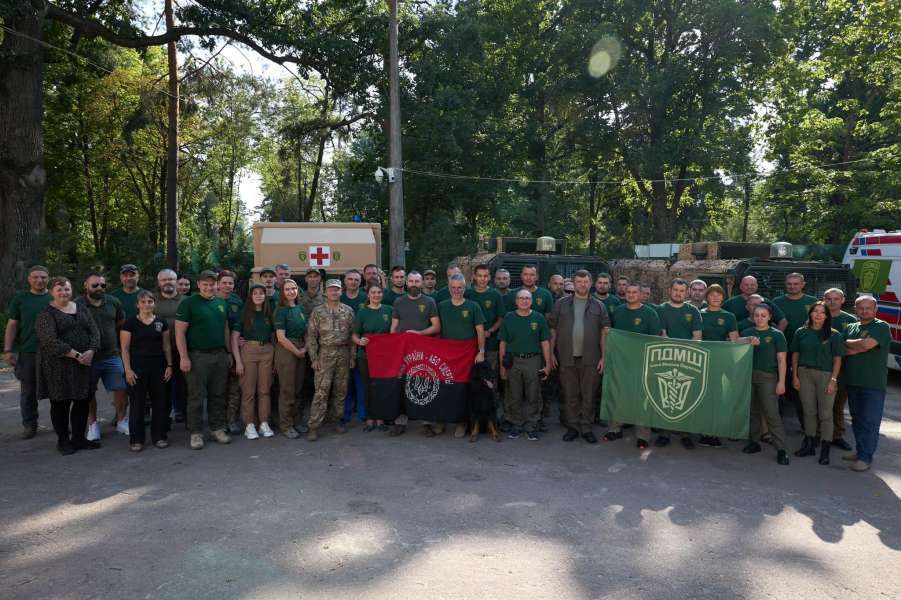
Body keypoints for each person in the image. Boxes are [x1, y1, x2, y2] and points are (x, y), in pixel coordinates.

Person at [35, 277, 101, 455]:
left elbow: (94, 331)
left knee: (83, 401)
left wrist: (91, 350)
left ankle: (79, 439)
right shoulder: (46, 314)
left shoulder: (81, 308)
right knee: (60, 403)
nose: (64, 292)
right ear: (51, 292)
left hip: (84, 364)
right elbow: (49, 341)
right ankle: (63, 441)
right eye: (59, 289)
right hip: (58, 366)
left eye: (67, 289)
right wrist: (76, 355)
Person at [175, 270, 233, 450]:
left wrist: (229, 352)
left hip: (219, 355)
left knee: (218, 394)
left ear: (217, 285)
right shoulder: (188, 304)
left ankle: (217, 428)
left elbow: (225, 329)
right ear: (198, 284)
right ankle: (196, 433)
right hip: (197, 356)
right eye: (205, 284)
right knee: (196, 396)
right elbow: (179, 333)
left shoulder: (221, 303)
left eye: (212, 284)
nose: (209, 287)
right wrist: (184, 357)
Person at [549, 270, 609, 444]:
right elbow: (552, 329)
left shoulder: (599, 306)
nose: (582, 284)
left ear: (591, 283)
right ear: (574, 283)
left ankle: (587, 427)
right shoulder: (561, 304)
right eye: (579, 281)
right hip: (566, 357)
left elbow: (605, 332)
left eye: (585, 282)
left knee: (588, 395)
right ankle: (573, 427)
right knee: (570, 394)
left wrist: (604, 357)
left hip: (591, 358)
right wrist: (551, 353)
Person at [606, 283, 662, 448]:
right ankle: (615, 429)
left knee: (642, 398)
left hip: (641, 362)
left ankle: (643, 435)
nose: (630, 295)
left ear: (641, 294)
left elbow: (655, 339)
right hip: (620, 361)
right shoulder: (618, 311)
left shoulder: (650, 313)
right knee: (618, 394)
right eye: (628, 292)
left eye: (634, 292)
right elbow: (611, 334)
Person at [841, 295, 891, 472]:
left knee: (870, 421)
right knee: (857, 419)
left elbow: (867, 345)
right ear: (855, 309)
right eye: (860, 308)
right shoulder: (851, 327)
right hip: (853, 381)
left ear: (875, 310)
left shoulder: (881, 326)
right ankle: (860, 450)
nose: (864, 311)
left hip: (873, 383)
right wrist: (858, 346)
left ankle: (865, 457)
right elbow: (843, 350)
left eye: (868, 308)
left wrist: (852, 345)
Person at [790, 302, 843, 464]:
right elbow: (795, 355)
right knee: (809, 411)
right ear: (810, 314)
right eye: (815, 311)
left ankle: (825, 449)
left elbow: (837, 359)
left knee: (825, 414)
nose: (818, 315)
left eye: (822, 312)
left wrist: (833, 380)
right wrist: (795, 376)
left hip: (825, 375)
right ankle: (809, 444)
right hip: (804, 374)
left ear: (827, 316)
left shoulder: (834, 334)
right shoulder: (801, 332)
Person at [77, 272, 128, 440]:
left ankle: (121, 421)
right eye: (95, 285)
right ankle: (93, 425)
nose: (99, 288)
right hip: (88, 358)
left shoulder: (113, 302)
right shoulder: (77, 305)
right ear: (86, 285)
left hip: (112, 355)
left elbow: (120, 324)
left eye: (103, 285)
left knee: (121, 389)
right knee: (88, 392)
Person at [389, 271, 440, 436]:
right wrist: (394, 345)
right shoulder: (398, 301)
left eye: (417, 281)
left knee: (425, 383)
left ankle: (426, 422)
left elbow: (436, 327)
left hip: (423, 350)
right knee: (402, 384)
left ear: (422, 283)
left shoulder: (429, 301)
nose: (414, 284)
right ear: (406, 282)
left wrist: (419, 334)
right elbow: (393, 328)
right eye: (411, 281)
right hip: (403, 351)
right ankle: (400, 422)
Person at [120, 290, 173, 451]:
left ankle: (160, 436)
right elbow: (125, 349)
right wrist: (128, 370)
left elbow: (166, 346)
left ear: (154, 303)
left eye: (150, 301)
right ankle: (136, 439)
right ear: (137, 304)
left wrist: (169, 365)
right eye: (143, 302)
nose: (147, 304)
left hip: (159, 367)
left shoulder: (161, 322)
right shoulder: (129, 323)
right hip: (137, 368)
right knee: (137, 404)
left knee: (160, 403)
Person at [4, 265, 52, 439]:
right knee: (28, 391)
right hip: (28, 351)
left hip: (53, 352)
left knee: (58, 389)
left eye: (43, 277)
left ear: (48, 279)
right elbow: (12, 325)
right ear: (29, 279)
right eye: (35, 277)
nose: (39, 280)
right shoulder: (21, 299)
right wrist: (8, 350)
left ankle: (60, 422)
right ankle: (30, 424)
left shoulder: (55, 296)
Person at [654, 278, 703, 449]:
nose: (678, 293)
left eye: (682, 291)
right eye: (675, 290)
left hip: (687, 360)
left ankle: (685, 434)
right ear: (670, 290)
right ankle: (664, 433)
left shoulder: (693, 310)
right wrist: (672, 348)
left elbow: (697, 336)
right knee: (664, 396)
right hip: (665, 358)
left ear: (687, 293)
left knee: (686, 397)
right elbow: (662, 334)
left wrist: (684, 350)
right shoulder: (661, 309)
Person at [437, 273, 486, 438]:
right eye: (453, 287)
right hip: (446, 354)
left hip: (466, 355)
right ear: (449, 288)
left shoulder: (473, 306)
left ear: (465, 288)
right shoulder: (442, 306)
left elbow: (480, 331)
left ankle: (461, 422)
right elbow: (437, 329)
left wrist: (481, 351)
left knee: (463, 388)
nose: (456, 290)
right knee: (444, 387)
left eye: (460, 288)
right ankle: (442, 420)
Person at [305, 279, 355, 441]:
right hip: (325, 354)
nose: (334, 292)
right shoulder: (318, 312)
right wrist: (313, 358)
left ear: (341, 291)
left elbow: (353, 336)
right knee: (321, 391)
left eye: (337, 289)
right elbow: (311, 336)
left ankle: (336, 421)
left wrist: (352, 356)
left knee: (341, 390)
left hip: (343, 353)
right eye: (331, 289)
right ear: (326, 292)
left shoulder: (348, 311)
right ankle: (314, 426)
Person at [499, 289, 552, 441]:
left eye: (527, 298)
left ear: (532, 301)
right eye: (521, 298)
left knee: (533, 394)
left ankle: (531, 426)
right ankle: (516, 424)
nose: (524, 301)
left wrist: (548, 364)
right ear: (516, 301)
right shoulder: (509, 317)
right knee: (514, 394)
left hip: (533, 360)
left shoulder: (538, 318)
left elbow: (545, 342)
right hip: (513, 360)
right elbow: (503, 342)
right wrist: (502, 366)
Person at [741, 304, 790, 465]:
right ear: (752, 316)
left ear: (769, 317)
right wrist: (747, 340)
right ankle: (754, 442)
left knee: (771, 413)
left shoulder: (776, 334)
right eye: (757, 315)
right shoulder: (747, 332)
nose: (760, 318)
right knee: (752, 411)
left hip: (768, 377)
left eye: (763, 315)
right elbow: (734, 344)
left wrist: (781, 382)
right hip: (749, 375)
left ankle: (781, 449)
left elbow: (782, 360)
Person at [232, 284, 276, 440]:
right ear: (250, 296)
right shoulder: (244, 313)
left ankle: (264, 423)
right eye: (255, 293)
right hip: (249, 351)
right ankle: (249, 424)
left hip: (267, 351)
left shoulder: (269, 314)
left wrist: (275, 361)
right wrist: (238, 361)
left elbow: (275, 336)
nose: (258, 295)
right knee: (248, 390)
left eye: (261, 293)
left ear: (265, 296)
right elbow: (234, 338)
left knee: (264, 390)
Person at [698, 284, 739, 448]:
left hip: (720, 363)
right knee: (702, 396)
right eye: (712, 294)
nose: (715, 297)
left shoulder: (729, 317)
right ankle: (702, 431)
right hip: (701, 362)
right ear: (706, 297)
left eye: (719, 295)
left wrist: (749, 340)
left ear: (723, 298)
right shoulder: (698, 314)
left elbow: (734, 340)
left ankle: (714, 432)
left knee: (717, 396)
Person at [352, 284, 394, 432]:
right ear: (368, 295)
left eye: (379, 292)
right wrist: (359, 341)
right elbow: (354, 334)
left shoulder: (389, 310)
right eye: (373, 293)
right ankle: (370, 418)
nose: (376, 295)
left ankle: (380, 418)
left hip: (384, 356)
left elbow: (394, 332)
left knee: (381, 386)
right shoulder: (362, 312)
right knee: (368, 386)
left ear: (382, 294)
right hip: (365, 355)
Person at [468, 265, 504, 425]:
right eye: (480, 276)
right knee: (471, 383)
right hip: (470, 346)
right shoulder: (468, 293)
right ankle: (471, 420)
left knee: (491, 384)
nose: (482, 279)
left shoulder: (495, 295)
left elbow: (501, 318)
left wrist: (490, 330)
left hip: (490, 346)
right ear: (474, 277)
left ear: (489, 277)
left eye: (485, 276)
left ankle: (493, 421)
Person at [273, 279, 308, 438]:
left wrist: (305, 348)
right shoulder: (281, 310)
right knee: (287, 389)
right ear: (282, 292)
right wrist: (297, 351)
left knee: (298, 388)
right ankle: (286, 425)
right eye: (287, 289)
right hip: (287, 349)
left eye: (293, 288)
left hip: (301, 348)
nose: (291, 291)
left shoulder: (301, 308)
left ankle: (296, 421)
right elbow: (281, 337)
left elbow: (306, 331)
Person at [823, 287, 857, 450]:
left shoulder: (850, 320)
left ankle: (837, 435)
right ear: (824, 300)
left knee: (838, 404)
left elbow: (854, 345)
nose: (832, 302)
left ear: (842, 300)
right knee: (819, 404)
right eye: (829, 299)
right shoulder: (817, 316)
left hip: (842, 369)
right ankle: (818, 434)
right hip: (820, 367)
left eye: (836, 299)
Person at [155, 269, 187, 424]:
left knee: (184, 385)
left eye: (171, 279)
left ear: (176, 281)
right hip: (160, 352)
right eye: (164, 280)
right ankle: (163, 419)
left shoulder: (186, 301)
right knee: (162, 387)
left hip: (183, 350)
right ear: (159, 282)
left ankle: (183, 413)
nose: (167, 282)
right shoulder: (151, 301)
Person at [216, 270, 244, 433]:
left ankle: (232, 420)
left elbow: (242, 322)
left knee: (234, 387)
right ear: (218, 284)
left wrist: (242, 338)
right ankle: (219, 422)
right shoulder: (212, 299)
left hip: (235, 348)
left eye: (230, 283)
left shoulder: (237, 301)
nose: (227, 286)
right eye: (224, 283)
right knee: (219, 388)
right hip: (217, 349)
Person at [340, 269, 366, 425]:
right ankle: (345, 413)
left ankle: (363, 413)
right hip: (343, 345)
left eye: (356, 279)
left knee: (361, 381)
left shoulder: (365, 297)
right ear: (345, 281)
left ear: (360, 281)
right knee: (345, 382)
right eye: (350, 279)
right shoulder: (339, 297)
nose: (353, 282)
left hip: (362, 345)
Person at [723, 275, 788, 330]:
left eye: (752, 285)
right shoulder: (730, 303)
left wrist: (776, 336)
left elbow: (783, 321)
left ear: (757, 286)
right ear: (740, 286)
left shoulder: (766, 302)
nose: (749, 287)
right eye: (746, 285)